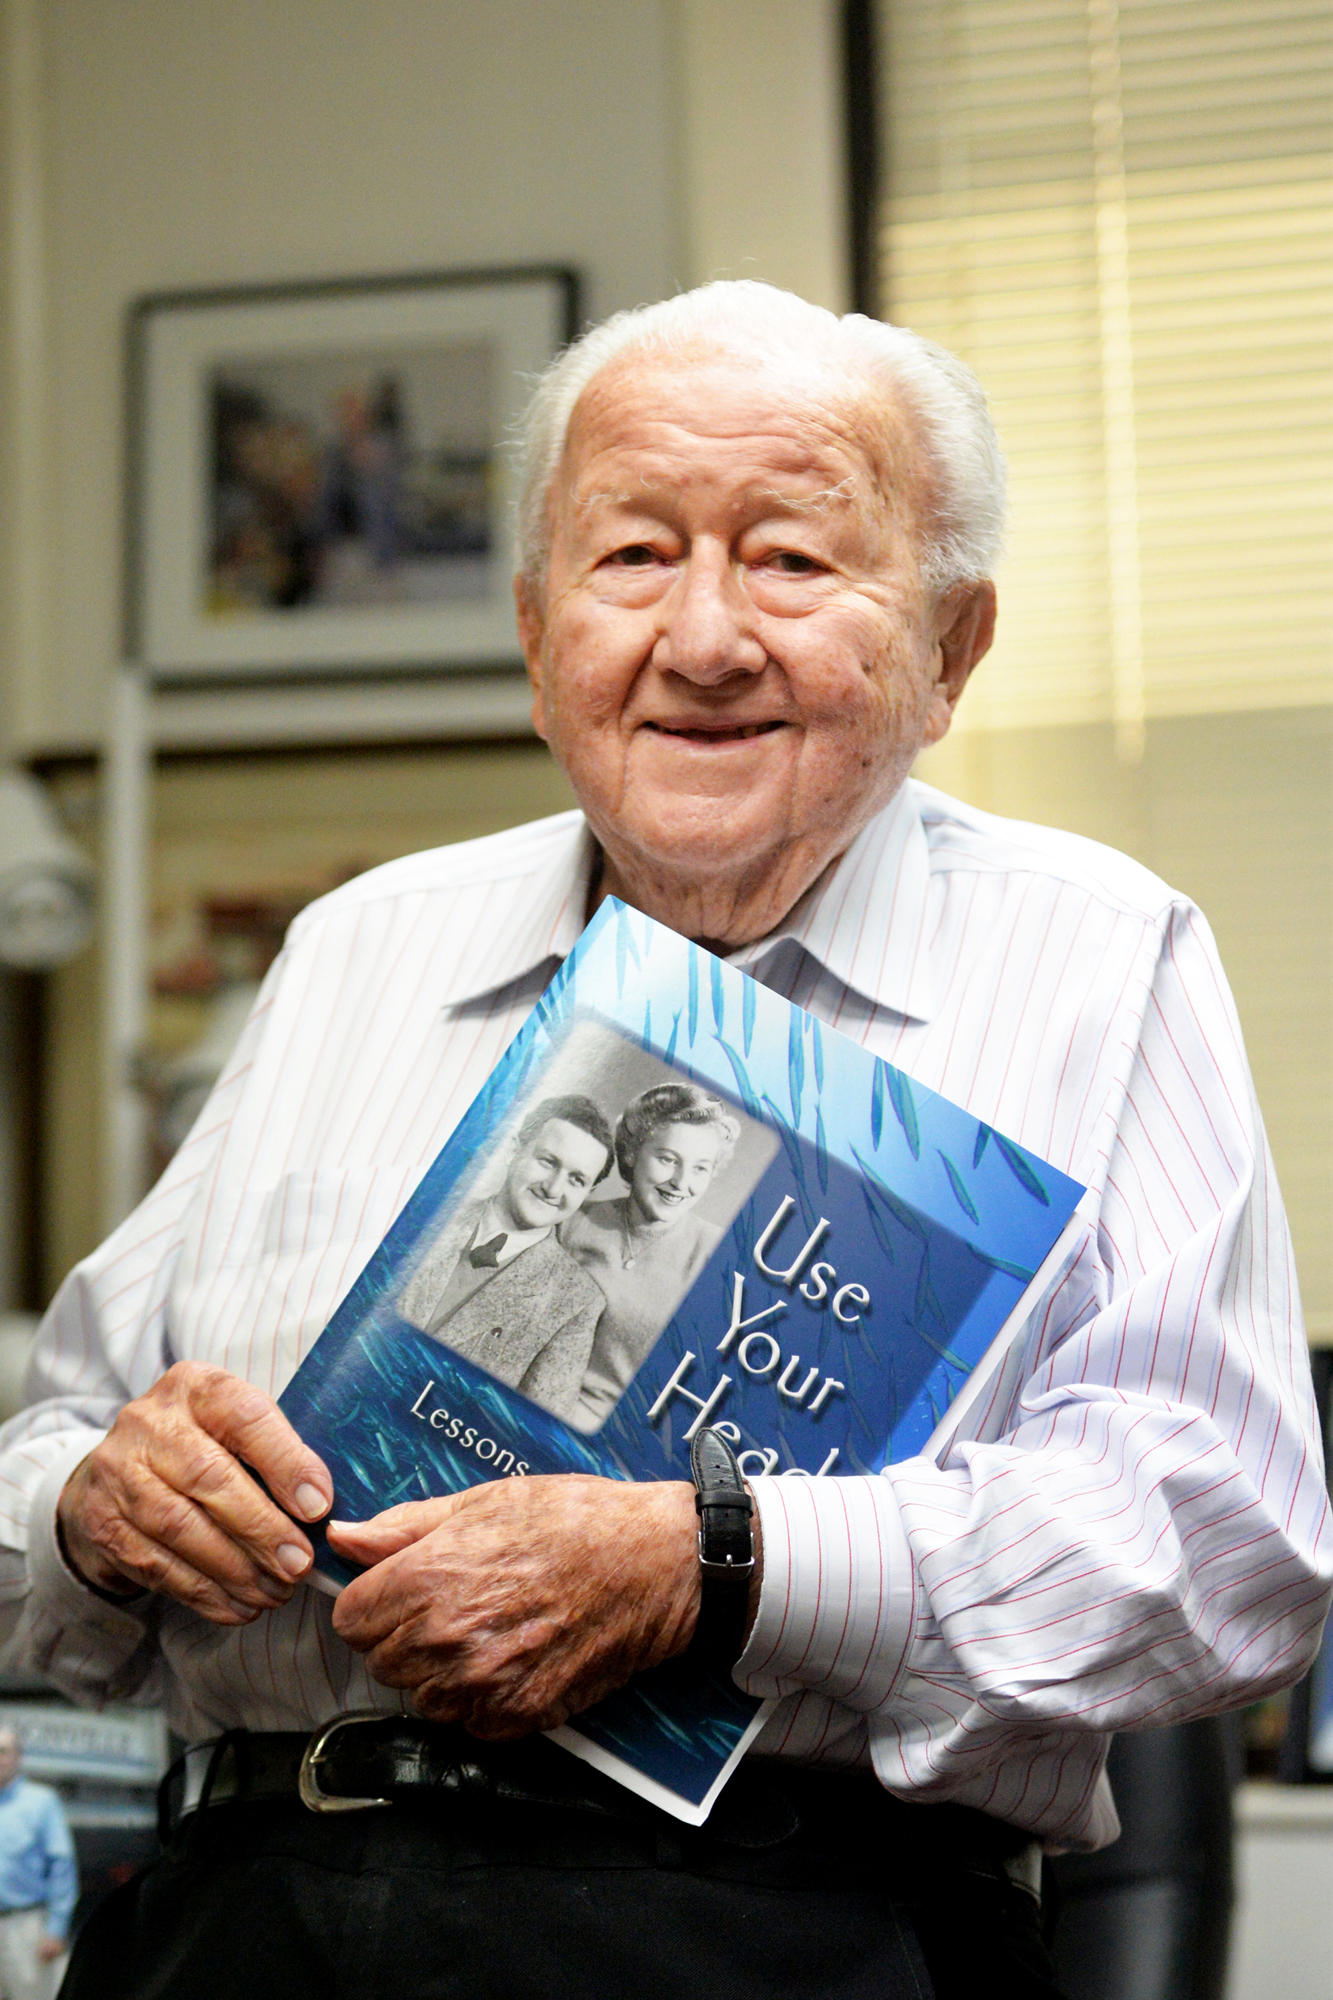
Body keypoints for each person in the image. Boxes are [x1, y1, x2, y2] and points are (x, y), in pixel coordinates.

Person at [1, 280, 1328, 1999]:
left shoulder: (1095, 953)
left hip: (777, 1934)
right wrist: (101, 1509)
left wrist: (720, 1564)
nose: (702, 638)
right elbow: (52, 1443)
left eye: (789, 558)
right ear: (538, 628)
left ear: (952, 646)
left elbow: (1226, 1539)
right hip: (243, 1913)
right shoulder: (361, 947)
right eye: (632, 558)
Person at [397, 1094, 613, 1420]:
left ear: (588, 1193)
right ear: (515, 1150)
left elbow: (527, 1431)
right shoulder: (429, 1210)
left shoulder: (578, 1302)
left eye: (576, 1179)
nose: (554, 1189)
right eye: (548, 1161)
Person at [559, 1083, 740, 1429]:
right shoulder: (571, 1222)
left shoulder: (720, 1261)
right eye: (668, 1159)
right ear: (631, 1153)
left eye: (700, 1168)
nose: (680, 1182)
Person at [0, 1730, 76, 2000]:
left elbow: (61, 1867)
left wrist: (56, 1928)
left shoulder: (41, 1802)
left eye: (3, 1751)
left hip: (27, 1927)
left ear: (18, 1757)